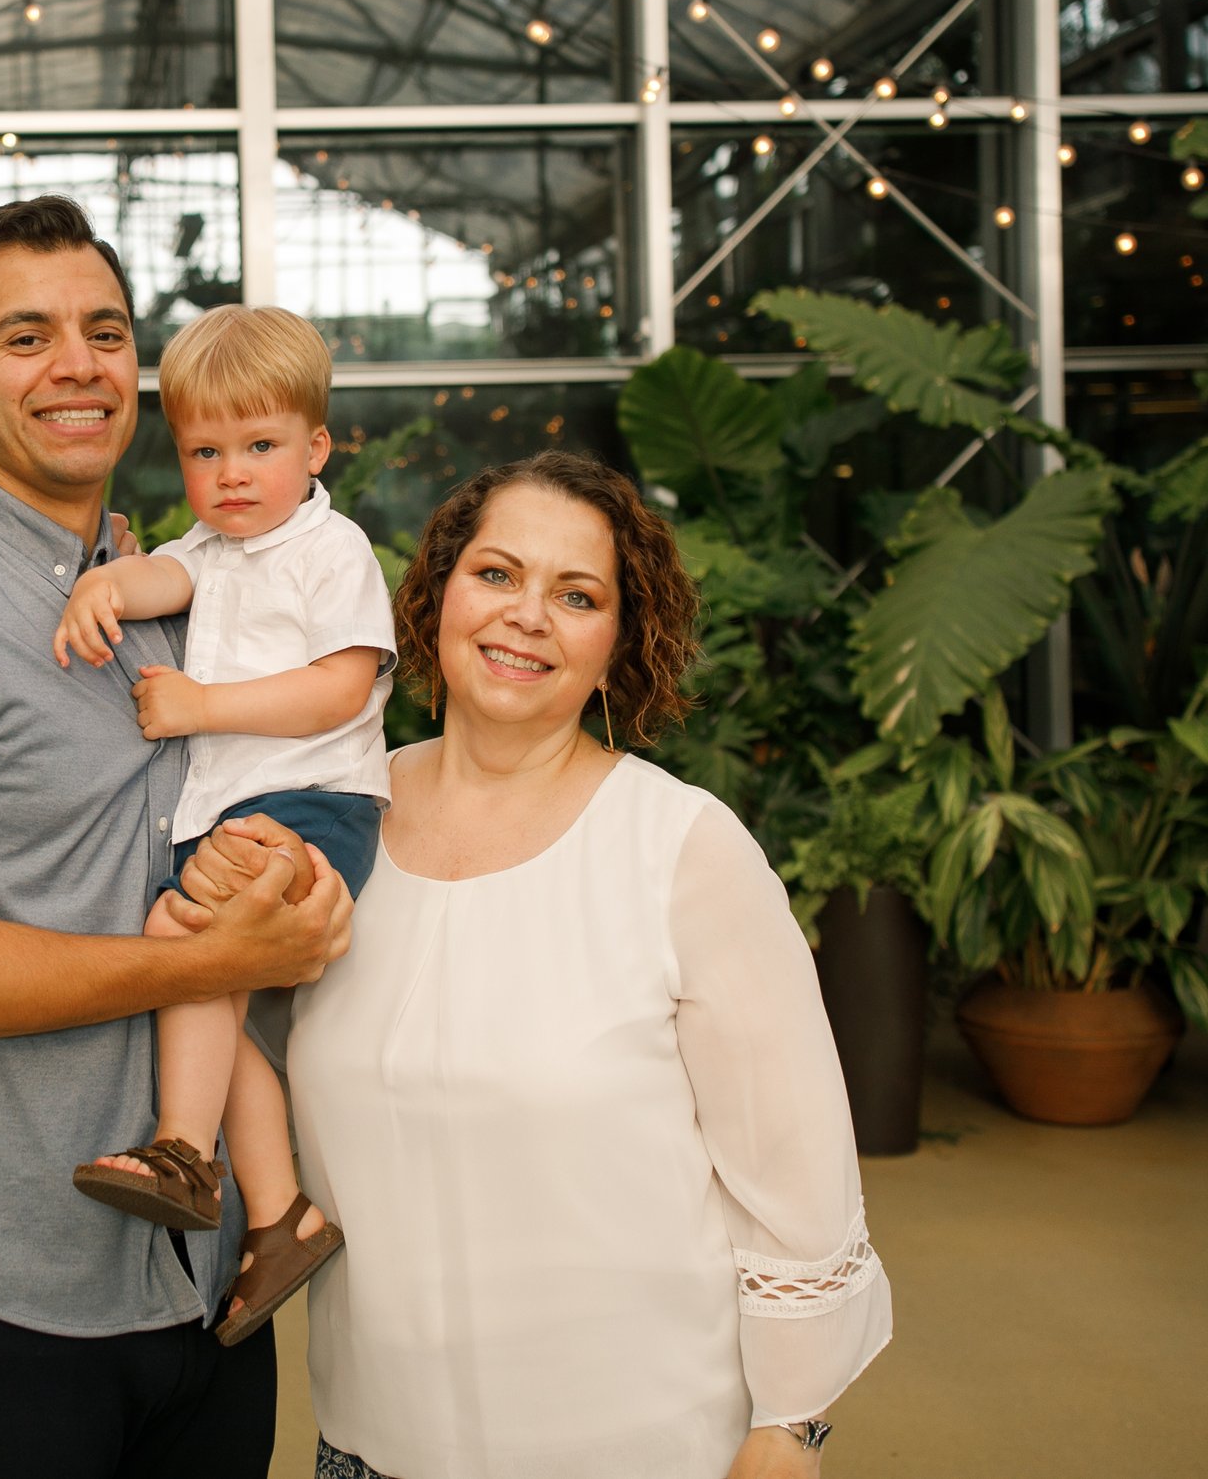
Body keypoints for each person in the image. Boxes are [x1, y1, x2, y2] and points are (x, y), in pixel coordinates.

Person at [0, 196, 354, 1479]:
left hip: (203, 1284)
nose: (77, 364)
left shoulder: (177, 594)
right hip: (7, 1296)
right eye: (26, 336)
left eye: (103, 331)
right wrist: (202, 962)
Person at [287, 451, 893, 1479]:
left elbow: (796, 1180)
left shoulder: (681, 849)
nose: (526, 614)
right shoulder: (337, 822)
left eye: (576, 595)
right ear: (436, 598)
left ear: (618, 645)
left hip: (635, 1446)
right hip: (368, 1445)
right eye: (495, 574)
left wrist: (789, 1427)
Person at [55, 304, 394, 1346]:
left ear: (315, 447)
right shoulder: (216, 544)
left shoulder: (328, 548)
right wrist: (106, 581)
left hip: (313, 806)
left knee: (190, 946)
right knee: (197, 967)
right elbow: (169, 571)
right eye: (205, 451)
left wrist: (202, 706)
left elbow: (340, 689)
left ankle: (181, 1152)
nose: (233, 472)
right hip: (236, 812)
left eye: (260, 447)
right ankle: (279, 1206)